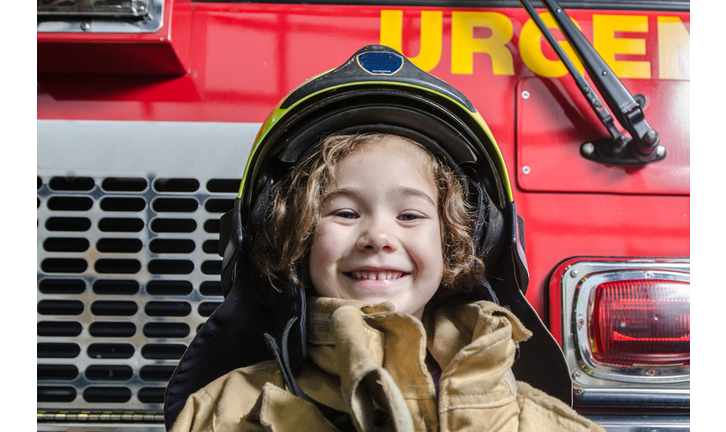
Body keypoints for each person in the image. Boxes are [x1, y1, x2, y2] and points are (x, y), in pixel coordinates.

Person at [164, 45, 606, 432]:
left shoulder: (527, 419)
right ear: (288, 237)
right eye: (344, 212)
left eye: (410, 214)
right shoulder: (224, 412)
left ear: (463, 242)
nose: (377, 235)